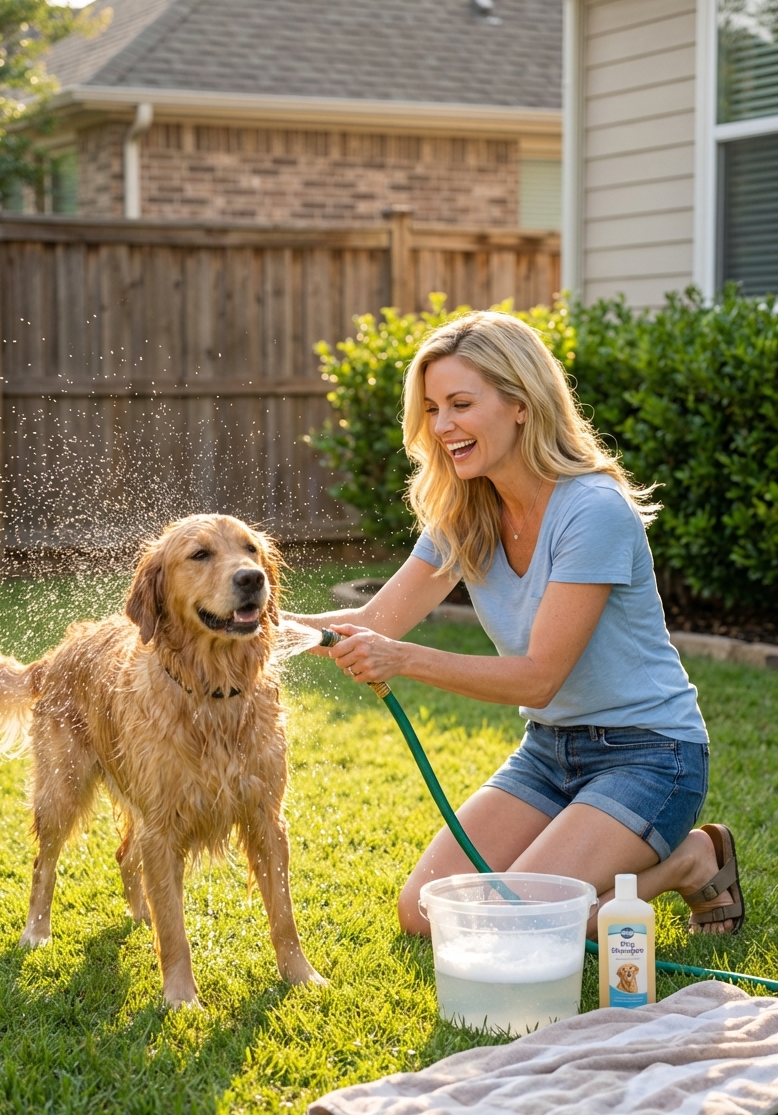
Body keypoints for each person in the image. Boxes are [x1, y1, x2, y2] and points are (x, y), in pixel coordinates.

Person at [294, 311, 743, 939]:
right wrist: (249, 624)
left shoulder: (592, 510)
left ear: (521, 404)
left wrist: (402, 659)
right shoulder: (463, 509)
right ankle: (627, 869)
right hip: (548, 752)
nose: (442, 426)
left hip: (649, 757)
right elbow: (373, 620)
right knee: (425, 909)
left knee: (519, 925)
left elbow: (538, 678)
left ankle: (691, 860)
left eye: (460, 403)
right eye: (431, 408)